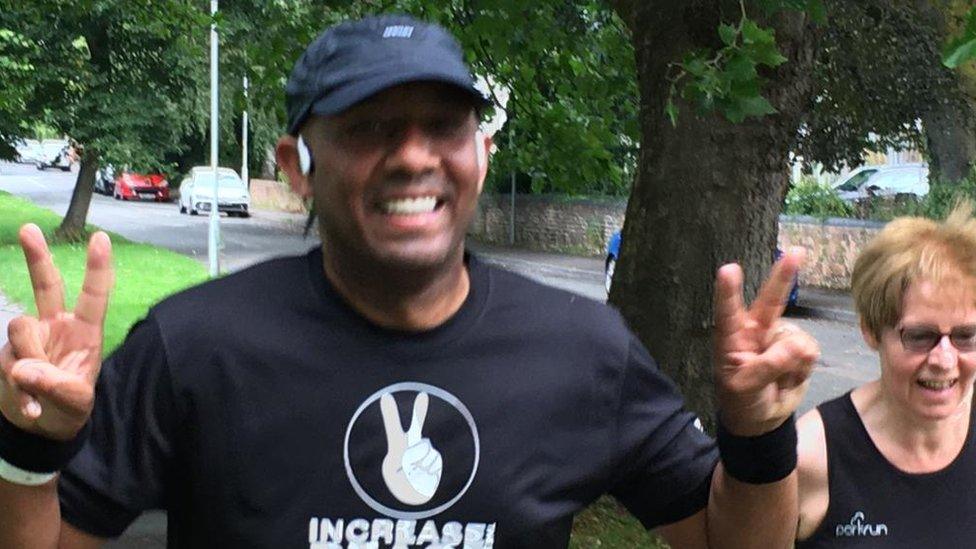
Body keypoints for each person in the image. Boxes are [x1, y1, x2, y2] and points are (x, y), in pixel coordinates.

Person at [0, 14, 818, 548]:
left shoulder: (582, 352)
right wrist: (31, 448)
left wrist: (756, 435)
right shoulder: (195, 345)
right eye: (371, 127)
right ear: (296, 166)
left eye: (444, 125)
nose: (416, 155)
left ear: (481, 153)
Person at [795, 203, 976, 547]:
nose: (944, 359)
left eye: (965, 336)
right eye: (919, 336)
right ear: (871, 331)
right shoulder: (813, 454)